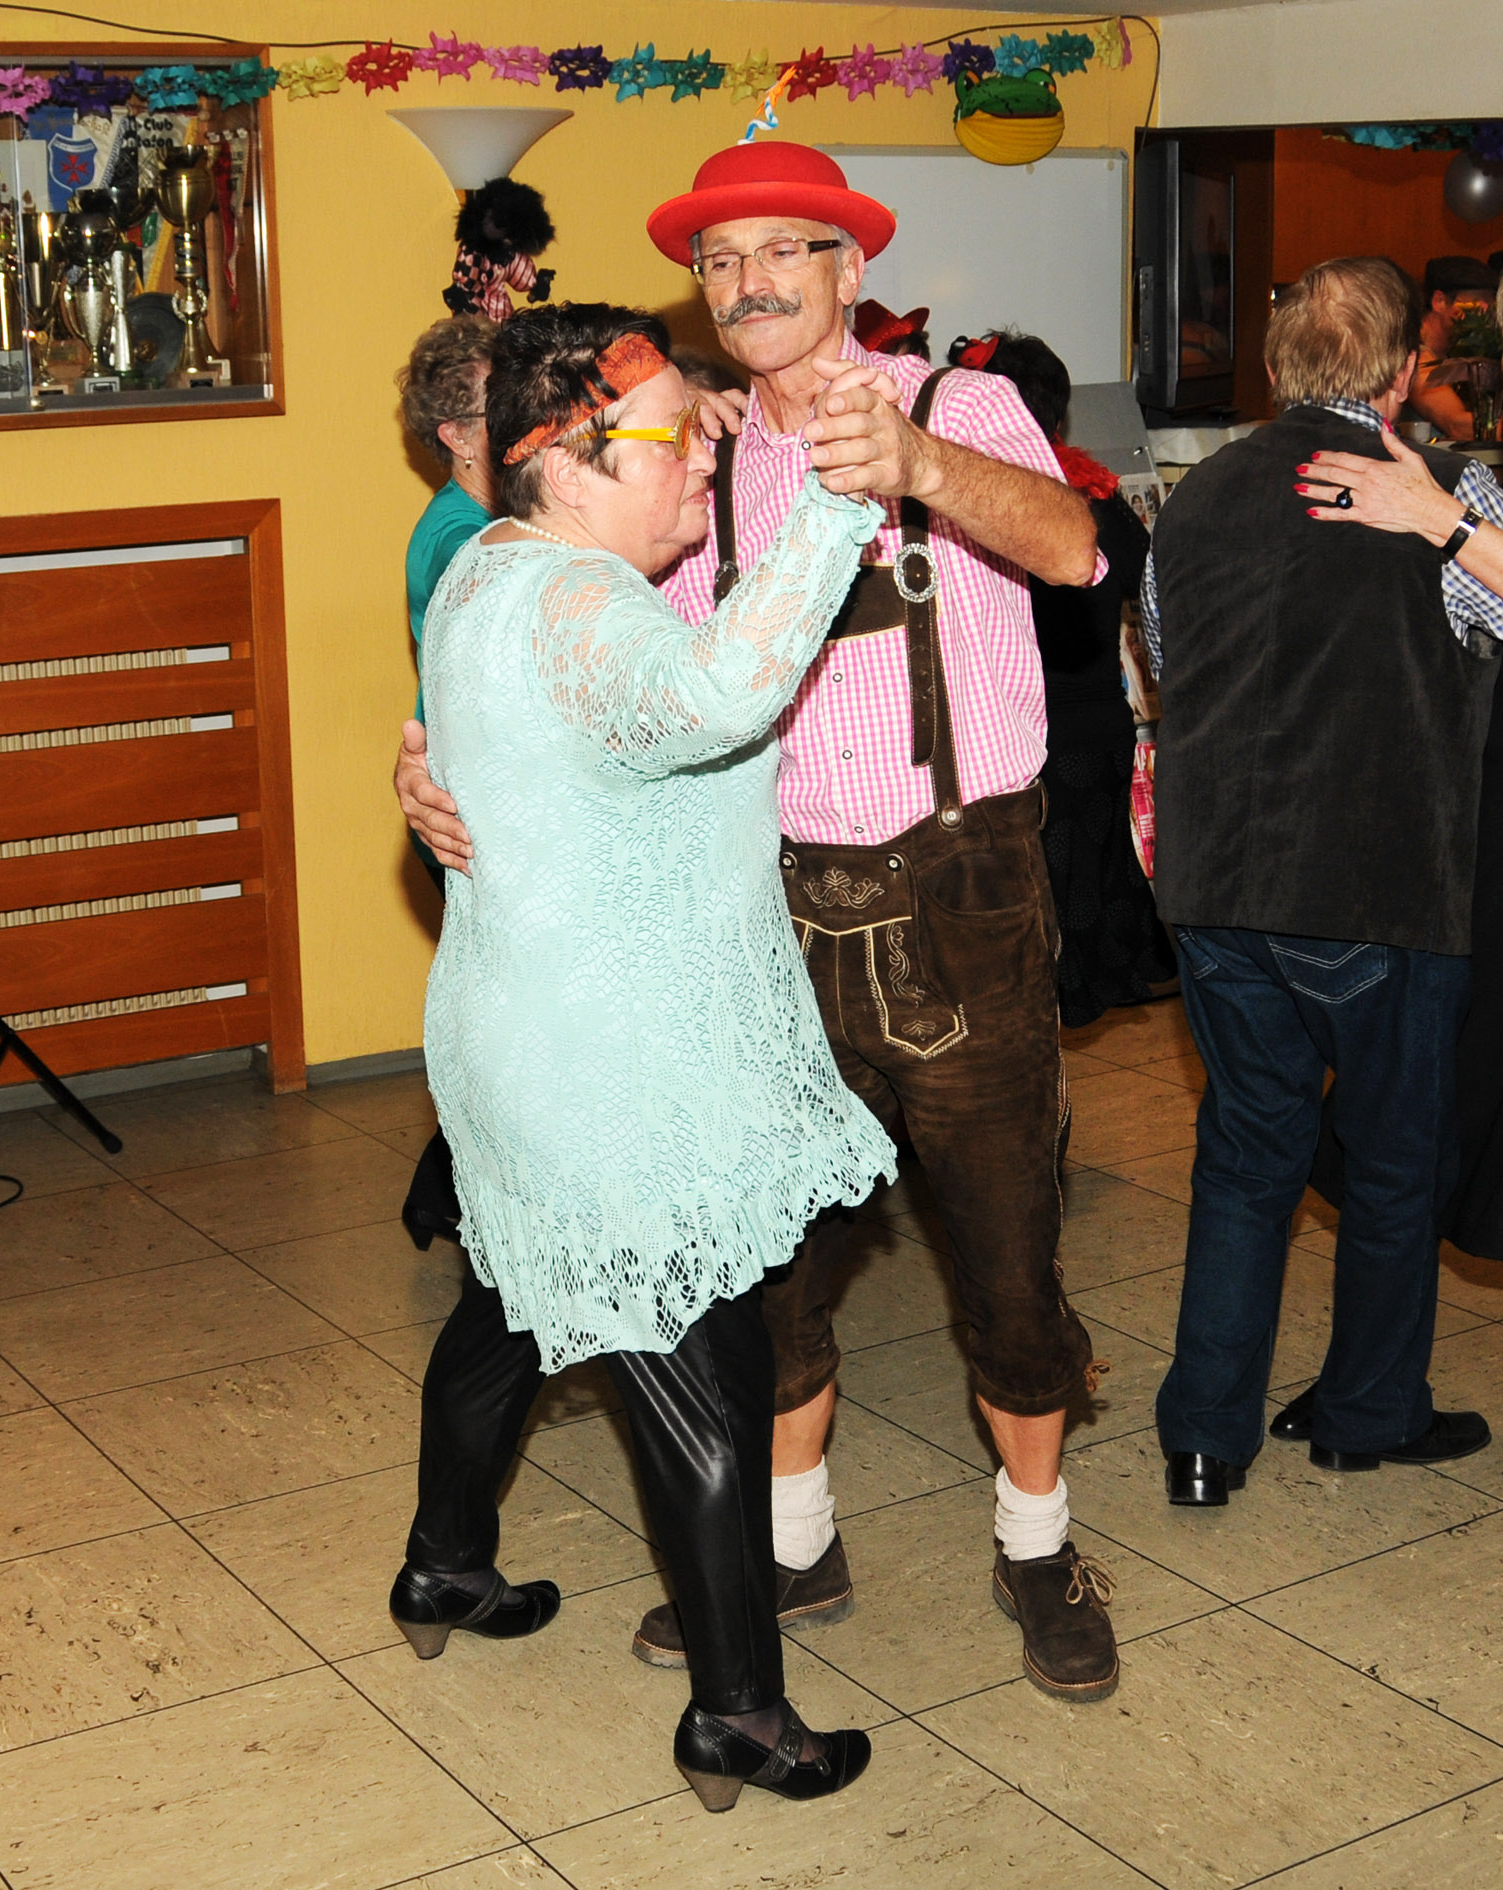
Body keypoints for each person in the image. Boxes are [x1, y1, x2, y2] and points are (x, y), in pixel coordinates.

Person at [398, 140, 1122, 1703]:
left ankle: (1040, 1538)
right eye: (721, 262)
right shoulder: (698, 453)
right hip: (772, 912)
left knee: (1006, 1249)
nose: (751, 283)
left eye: (785, 250)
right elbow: (601, 671)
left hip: (964, 893)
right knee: (766, 1264)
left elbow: (1075, 551)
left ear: (850, 270)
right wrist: (434, 762)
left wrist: (919, 466)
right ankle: (795, 1543)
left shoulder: (960, 404)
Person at [393, 301, 887, 1811]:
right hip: (609, 1076)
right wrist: (838, 502)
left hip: (521, 1040)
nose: (705, 456)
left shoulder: (486, 565)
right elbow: (716, 695)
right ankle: (738, 1714)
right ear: (568, 458)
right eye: (677, 434)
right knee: (704, 1369)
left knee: (510, 1309)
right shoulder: (579, 605)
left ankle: (444, 1564)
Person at [1144, 256, 1503, 1504]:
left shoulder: (1212, 493)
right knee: (1399, 1147)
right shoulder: (1464, 488)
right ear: (1408, 369)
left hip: (1298, 873)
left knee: (1268, 1149)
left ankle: (1205, 1439)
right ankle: (1369, 1402)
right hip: (1398, 867)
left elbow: (1167, 651)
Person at [957, 328, 1173, 1024]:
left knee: (1057, 873)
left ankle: (1071, 992)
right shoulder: (1092, 493)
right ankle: (1116, 974)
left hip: (1033, 730)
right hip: (1102, 721)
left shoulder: (989, 505)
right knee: (1100, 859)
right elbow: (1151, 579)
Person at [397, 314, 499, 894]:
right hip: (461, 818)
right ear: (457, 438)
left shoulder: (507, 513)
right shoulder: (455, 536)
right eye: (503, 406)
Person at [1407, 255, 1497, 442]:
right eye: (1477, 301)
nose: (1486, 311)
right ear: (1439, 301)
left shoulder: (1459, 352)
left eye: (1490, 302)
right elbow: (1460, 426)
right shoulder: (1414, 356)